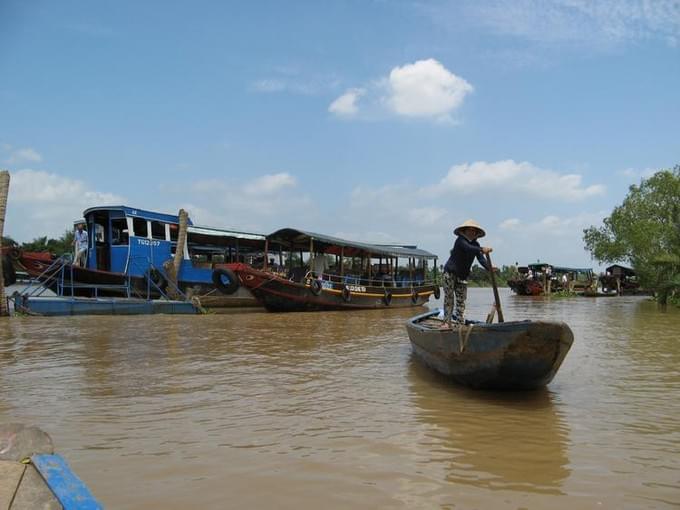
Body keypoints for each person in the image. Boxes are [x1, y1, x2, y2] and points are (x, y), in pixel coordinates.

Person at [441, 219, 492, 326]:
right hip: (450, 273)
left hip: (463, 276)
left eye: (474, 231)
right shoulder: (460, 241)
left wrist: (489, 268)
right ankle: (446, 322)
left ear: (476, 233)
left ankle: (460, 324)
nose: (472, 232)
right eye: (469, 230)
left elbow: (481, 259)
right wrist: (482, 249)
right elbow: (468, 248)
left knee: (461, 301)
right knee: (449, 298)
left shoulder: (476, 244)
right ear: (464, 231)